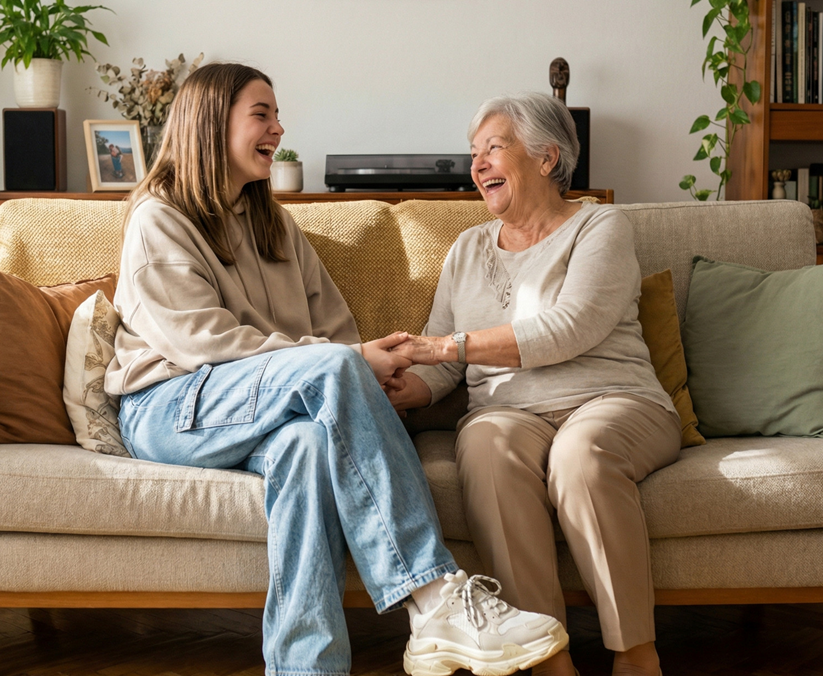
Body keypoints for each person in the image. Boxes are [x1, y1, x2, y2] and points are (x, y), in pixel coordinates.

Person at [104, 63, 569, 676]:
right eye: (262, 114)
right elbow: (202, 342)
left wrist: (363, 369)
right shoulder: (158, 218)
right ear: (213, 123)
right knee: (328, 371)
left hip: (268, 404)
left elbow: (335, 334)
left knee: (303, 446)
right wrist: (347, 363)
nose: (279, 126)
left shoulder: (275, 224)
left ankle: (305, 668)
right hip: (172, 405)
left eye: (276, 113)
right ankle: (433, 599)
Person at [385, 92, 682, 676]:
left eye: (494, 148)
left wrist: (445, 348)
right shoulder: (467, 249)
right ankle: (545, 656)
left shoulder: (600, 224)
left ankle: (635, 653)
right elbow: (443, 365)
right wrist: (393, 384)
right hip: (508, 411)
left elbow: (570, 327)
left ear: (547, 159)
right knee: (485, 449)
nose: (477, 165)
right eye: (473, 154)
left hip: (612, 400)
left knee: (581, 457)